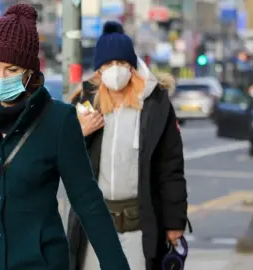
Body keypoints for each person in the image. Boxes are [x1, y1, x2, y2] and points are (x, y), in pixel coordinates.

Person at [0, 4, 130, 270]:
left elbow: (87, 201)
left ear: (29, 72)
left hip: (41, 262)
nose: (0, 77)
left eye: (11, 70)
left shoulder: (59, 120)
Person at [67, 21, 189, 270]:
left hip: (139, 228)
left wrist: (175, 223)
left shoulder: (155, 106)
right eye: (108, 64)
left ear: (133, 67)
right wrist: (79, 133)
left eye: (122, 63)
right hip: (94, 227)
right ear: (99, 70)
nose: (116, 70)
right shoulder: (84, 105)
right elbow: (57, 161)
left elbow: (171, 167)